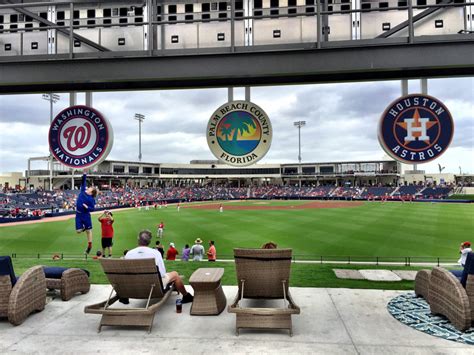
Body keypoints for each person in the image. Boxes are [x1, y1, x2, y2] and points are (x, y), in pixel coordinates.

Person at [125, 230, 193, 303]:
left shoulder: (129, 254)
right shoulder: (155, 253)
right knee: (175, 274)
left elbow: (126, 273)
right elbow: (162, 273)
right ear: (149, 241)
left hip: (134, 286)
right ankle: (186, 296)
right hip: (153, 286)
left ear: (138, 240)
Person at [75, 173, 98, 254]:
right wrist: (84, 174)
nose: (88, 188)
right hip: (78, 215)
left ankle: (89, 246)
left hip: (86, 215)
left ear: (91, 192)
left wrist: (87, 207)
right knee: (78, 231)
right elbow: (83, 182)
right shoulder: (82, 191)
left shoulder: (91, 199)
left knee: (89, 231)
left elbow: (93, 209)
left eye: (90, 188)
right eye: (89, 187)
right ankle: (83, 228)